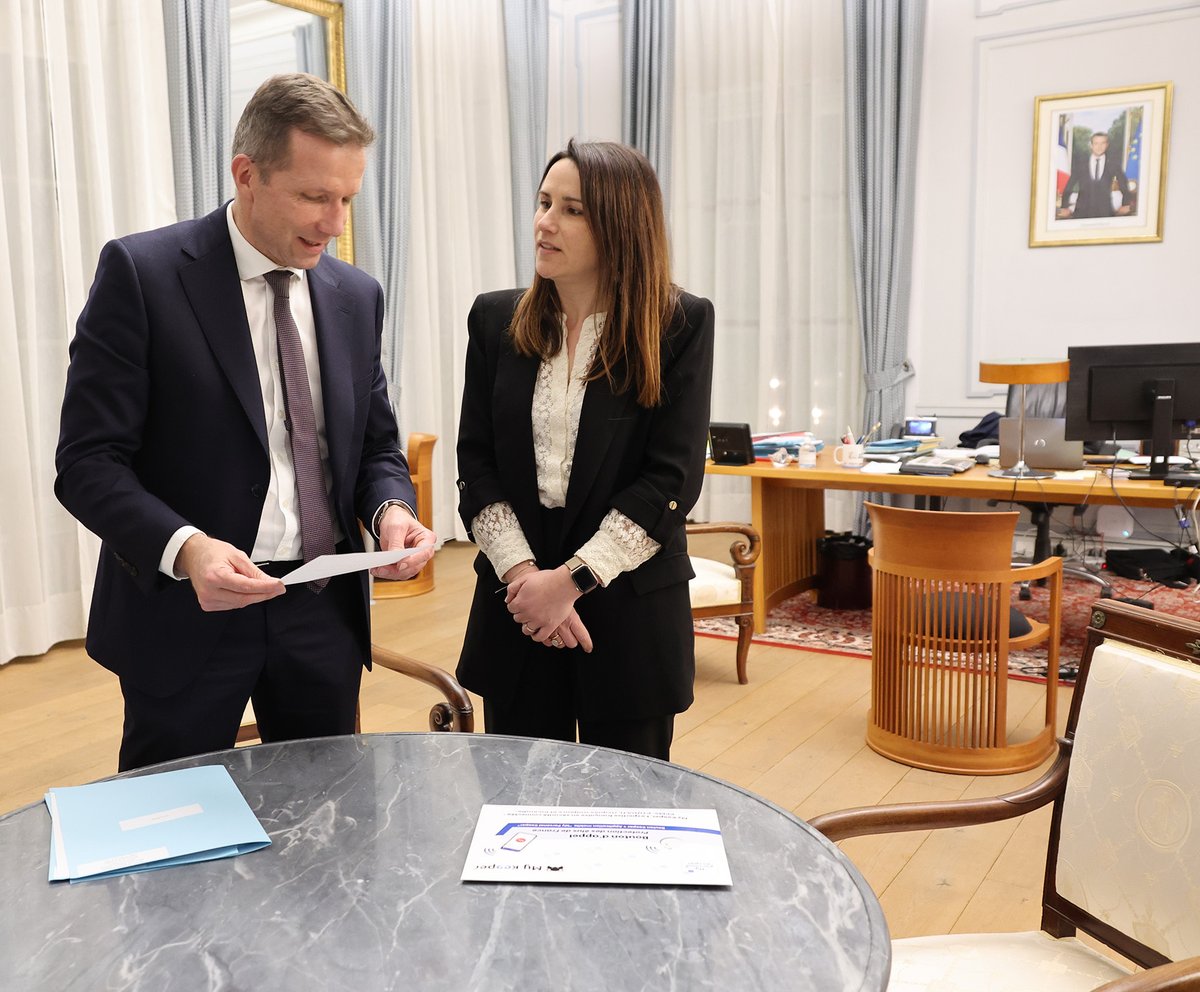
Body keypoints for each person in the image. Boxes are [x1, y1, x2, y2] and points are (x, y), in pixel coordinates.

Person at [55, 73, 436, 771]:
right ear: (247, 175)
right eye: (315, 196)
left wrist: (390, 510)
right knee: (171, 841)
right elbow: (87, 463)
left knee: (326, 833)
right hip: (184, 611)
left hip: (322, 608)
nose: (336, 222)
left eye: (348, 197)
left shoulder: (357, 295)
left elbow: (375, 444)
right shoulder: (142, 276)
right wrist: (189, 548)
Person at [455, 139, 715, 761]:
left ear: (622, 226)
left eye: (572, 210)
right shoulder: (494, 321)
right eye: (544, 202)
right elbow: (476, 464)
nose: (545, 222)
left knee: (627, 820)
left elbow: (670, 478)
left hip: (627, 612)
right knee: (517, 814)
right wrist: (526, 580)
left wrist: (570, 582)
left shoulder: (679, 324)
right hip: (516, 608)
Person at [1057, 131, 1132, 219]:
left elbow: (1124, 184)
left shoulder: (1113, 164)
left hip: (1105, 212)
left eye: (1102, 143)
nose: (1099, 147)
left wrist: (1126, 204)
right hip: (1081, 212)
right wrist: (1064, 207)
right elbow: (1069, 186)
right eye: (1096, 143)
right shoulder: (1081, 164)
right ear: (1091, 145)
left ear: (1107, 145)